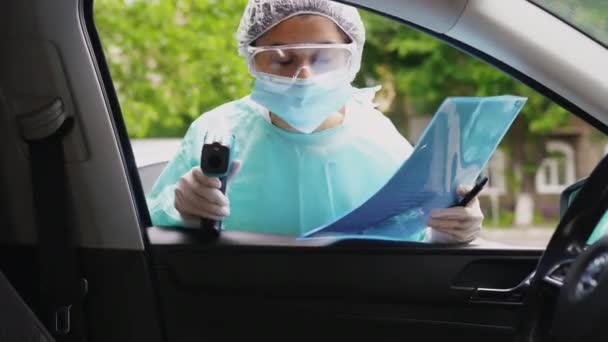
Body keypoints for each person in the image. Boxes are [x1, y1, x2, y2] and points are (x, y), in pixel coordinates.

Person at [146, 0, 483, 243]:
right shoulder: (216, 130)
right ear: (253, 61)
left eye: (323, 57)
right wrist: (182, 211)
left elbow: (415, 235)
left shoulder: (380, 138)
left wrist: (450, 230)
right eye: (281, 60)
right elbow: (145, 231)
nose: (304, 75)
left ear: (351, 59)